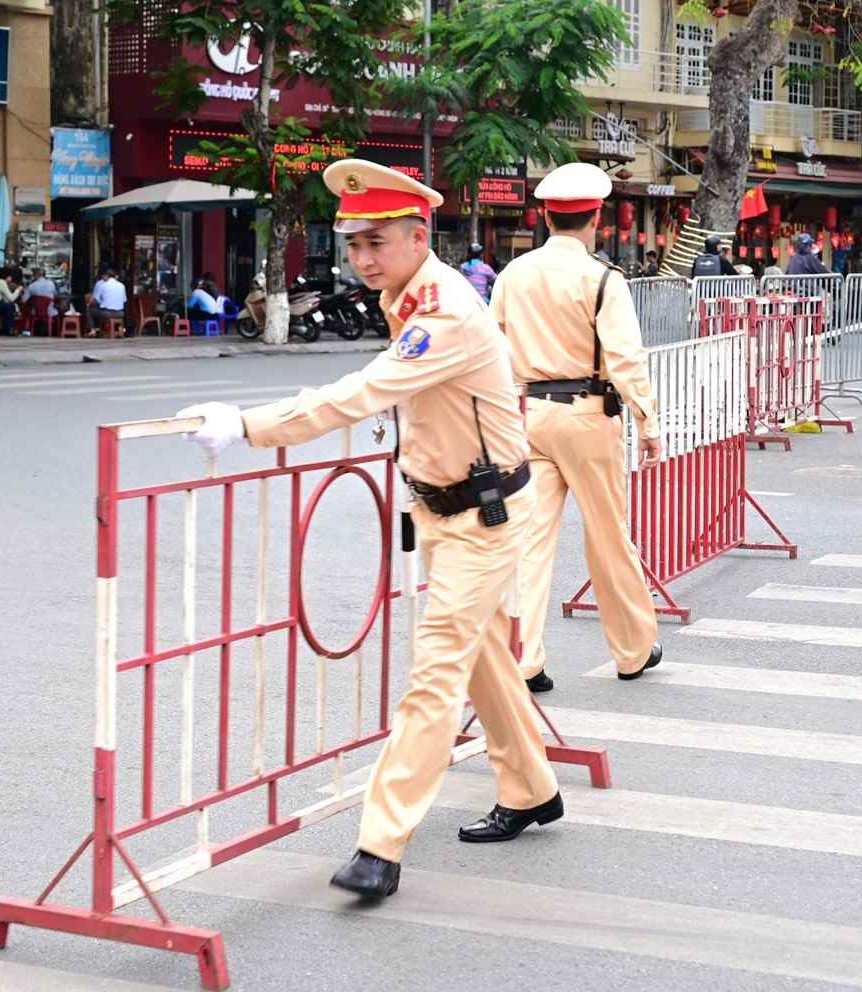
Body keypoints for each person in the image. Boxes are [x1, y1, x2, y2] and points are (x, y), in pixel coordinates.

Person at [179, 161, 561, 900]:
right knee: (478, 657)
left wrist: (252, 424)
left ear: (420, 237)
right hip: (448, 512)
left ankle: (380, 846)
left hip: (482, 519)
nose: (360, 259)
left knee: (433, 679)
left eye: (376, 243)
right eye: (351, 243)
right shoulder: (409, 298)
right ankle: (532, 788)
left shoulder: (444, 311)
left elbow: (365, 391)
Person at [490, 163, 665, 694]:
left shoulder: (512, 276)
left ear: (545, 216)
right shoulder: (603, 280)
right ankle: (632, 650)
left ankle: (523, 657)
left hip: (529, 416)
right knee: (609, 535)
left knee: (529, 541)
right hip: (588, 416)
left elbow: (492, 351)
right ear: (596, 219)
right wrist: (649, 422)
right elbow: (626, 360)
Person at [88, 266, 127, 336]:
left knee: (90, 310)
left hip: (106, 313)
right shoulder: (122, 285)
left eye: (104, 276)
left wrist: (91, 304)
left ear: (107, 276)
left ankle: (93, 329)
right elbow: (124, 301)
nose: (102, 278)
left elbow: (96, 301)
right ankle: (121, 328)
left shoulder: (102, 285)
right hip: (120, 314)